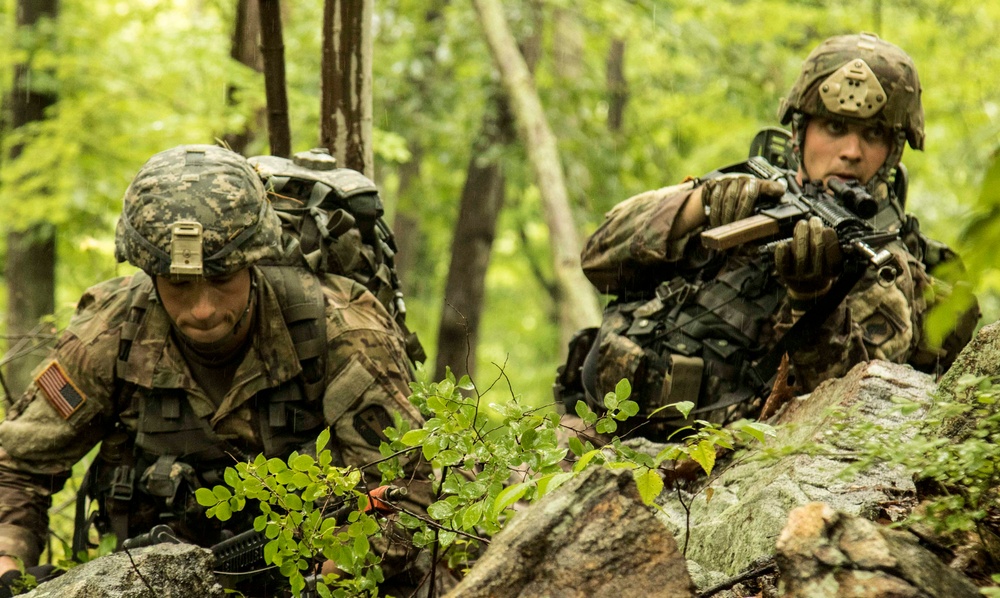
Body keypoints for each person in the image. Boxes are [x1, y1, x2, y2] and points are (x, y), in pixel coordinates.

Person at [0, 145, 430, 595]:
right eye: (179, 283)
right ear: (150, 273)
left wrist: (338, 569)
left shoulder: (341, 332)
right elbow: (18, 466)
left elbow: (410, 489)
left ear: (255, 260)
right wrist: (10, 565)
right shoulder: (110, 333)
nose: (203, 309)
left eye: (223, 279)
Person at [557, 32, 980, 438]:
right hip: (602, 427)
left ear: (893, 151)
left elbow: (857, 411)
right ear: (799, 132)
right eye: (834, 127)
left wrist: (813, 299)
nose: (851, 151)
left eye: (872, 134)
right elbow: (598, 261)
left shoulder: (883, 265)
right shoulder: (743, 191)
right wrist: (698, 207)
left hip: (733, 469)